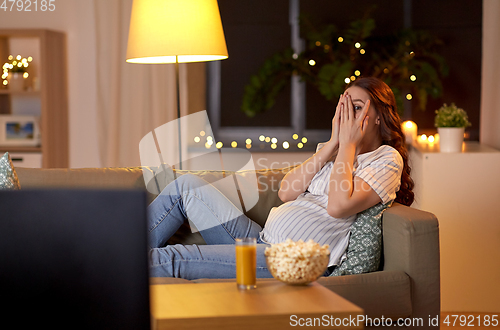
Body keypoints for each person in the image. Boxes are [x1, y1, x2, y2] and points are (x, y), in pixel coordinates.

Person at [148, 77, 414, 279]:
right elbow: (287, 192)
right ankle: (117, 246)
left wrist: (348, 146)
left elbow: (337, 206)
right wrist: (334, 143)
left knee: (166, 259)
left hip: (291, 261)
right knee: (185, 187)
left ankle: (113, 267)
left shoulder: (386, 160)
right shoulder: (332, 150)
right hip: (262, 239)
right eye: (344, 109)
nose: (348, 118)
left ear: (379, 115)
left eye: (357, 108)